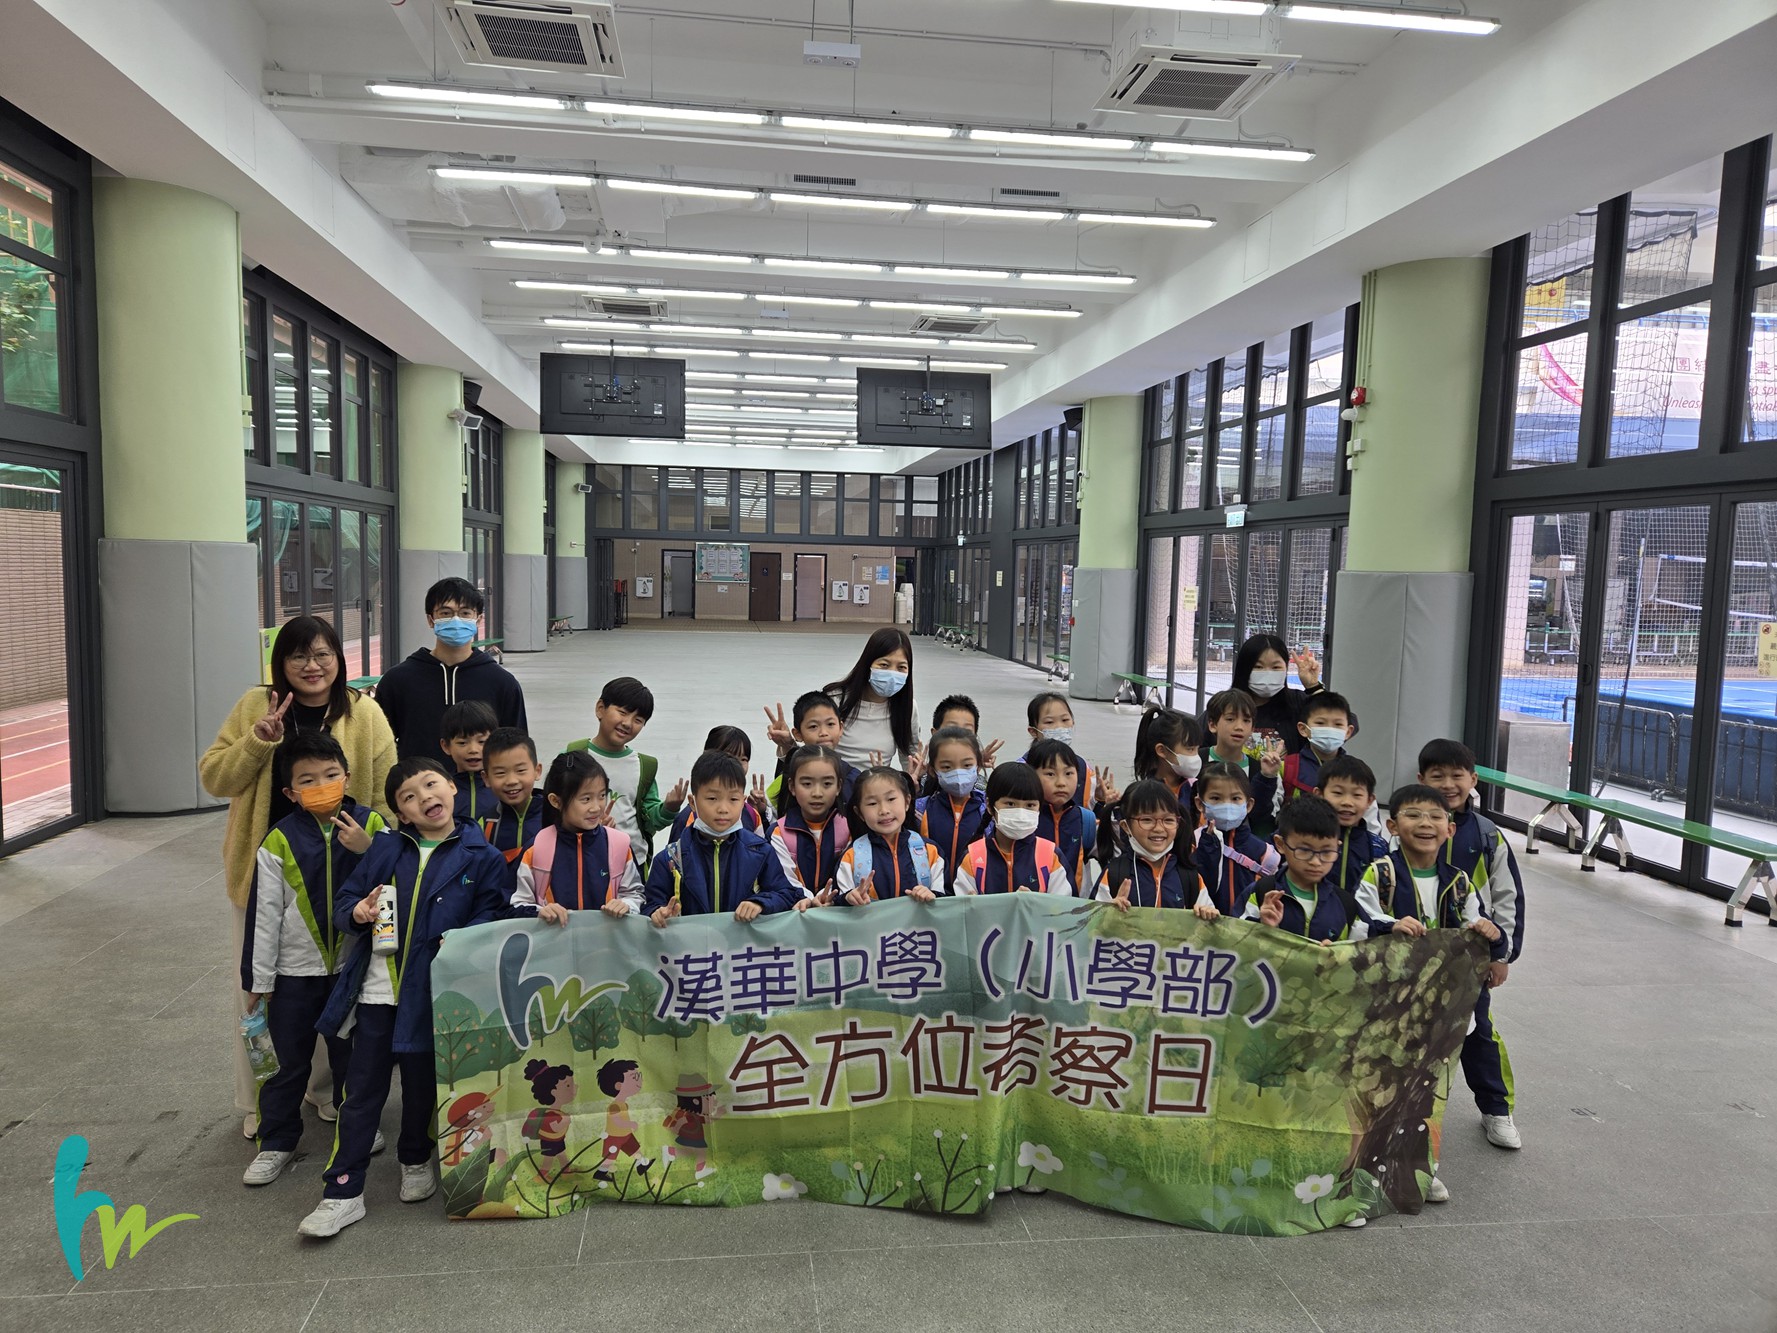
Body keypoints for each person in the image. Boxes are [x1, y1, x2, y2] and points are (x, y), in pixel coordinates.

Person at [201, 614, 396, 1140]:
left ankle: (325, 1090)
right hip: (266, 872)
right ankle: (260, 1099)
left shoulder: (363, 712)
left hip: (343, 880)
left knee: (340, 986)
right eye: (298, 656)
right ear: (280, 663)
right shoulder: (254, 705)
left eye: (323, 654)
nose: (312, 666)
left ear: (339, 658)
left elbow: (384, 796)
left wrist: (378, 856)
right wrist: (257, 742)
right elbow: (215, 778)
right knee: (259, 989)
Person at [299, 757, 511, 1237]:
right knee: (361, 1091)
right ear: (400, 813)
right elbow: (344, 902)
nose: (424, 798)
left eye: (431, 785)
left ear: (452, 787)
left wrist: (461, 938)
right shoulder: (386, 849)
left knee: (421, 1087)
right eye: (409, 797)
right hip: (378, 991)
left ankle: (415, 1157)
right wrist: (358, 912)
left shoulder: (482, 856)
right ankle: (342, 1191)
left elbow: (492, 915)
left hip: (434, 994)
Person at [240, 732, 387, 1187]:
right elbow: (264, 915)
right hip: (293, 973)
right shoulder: (279, 840)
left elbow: (395, 879)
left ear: (347, 776)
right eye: (308, 780)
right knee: (287, 1063)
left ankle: (355, 1123)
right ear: (290, 792)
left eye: (330, 775)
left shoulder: (372, 824)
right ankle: (276, 1140)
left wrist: (368, 848)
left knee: (352, 1056)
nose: (321, 785)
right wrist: (259, 980)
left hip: (351, 968)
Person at [1352, 783, 1507, 1206]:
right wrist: (1389, 925)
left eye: (1436, 816)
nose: (1425, 824)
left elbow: (1481, 928)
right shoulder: (1380, 874)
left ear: (1450, 829)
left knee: (1425, 1087)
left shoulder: (1459, 882)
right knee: (1382, 1083)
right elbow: (1360, 923)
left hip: (1439, 1007)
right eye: (1414, 815)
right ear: (1392, 826)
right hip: (1389, 1002)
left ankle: (1416, 1166)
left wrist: (1493, 935)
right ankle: (1367, 1166)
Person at [1418, 738, 1527, 1152]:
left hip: (1469, 959)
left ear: (1473, 779)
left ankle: (1496, 1109)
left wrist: (1502, 955)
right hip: (1415, 955)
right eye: (1437, 776)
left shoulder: (1486, 835)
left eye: (1456, 775)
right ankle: (1409, 1114)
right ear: (1421, 779)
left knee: (1478, 1030)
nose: (1448, 784)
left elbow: (1507, 896)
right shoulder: (1406, 824)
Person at [373, 577, 528, 759]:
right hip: (416, 777)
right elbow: (379, 746)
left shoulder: (502, 682)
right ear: (431, 620)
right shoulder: (397, 680)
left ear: (478, 619)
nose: (456, 620)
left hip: (480, 778)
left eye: (465, 613)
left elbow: (516, 747)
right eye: (445, 613)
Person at [644, 751, 800, 924]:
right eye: (712, 798)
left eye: (733, 799)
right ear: (692, 802)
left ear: (743, 801)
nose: (723, 809)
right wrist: (658, 913)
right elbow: (650, 905)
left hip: (741, 942)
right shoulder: (670, 859)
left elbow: (785, 894)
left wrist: (760, 903)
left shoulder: (761, 852)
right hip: (690, 942)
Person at [511, 751, 644, 922]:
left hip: (607, 939)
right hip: (555, 939)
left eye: (602, 796)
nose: (596, 807)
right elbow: (514, 904)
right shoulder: (536, 849)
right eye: (586, 799)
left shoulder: (620, 845)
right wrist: (540, 912)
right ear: (556, 801)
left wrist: (626, 905)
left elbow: (637, 895)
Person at [568, 676, 683, 865]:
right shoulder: (575, 754)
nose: (628, 723)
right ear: (600, 708)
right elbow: (557, 809)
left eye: (638, 720)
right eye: (622, 712)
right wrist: (590, 827)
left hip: (632, 862)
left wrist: (668, 809)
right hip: (582, 858)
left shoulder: (644, 766)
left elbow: (649, 821)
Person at [1243, 796, 1369, 941]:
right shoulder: (1261, 893)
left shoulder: (1346, 904)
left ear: (1337, 846)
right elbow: (1234, 941)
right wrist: (1263, 927)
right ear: (1280, 844)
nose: (1316, 862)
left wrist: (1338, 951)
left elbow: (1366, 950)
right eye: (1304, 850)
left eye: (1326, 852)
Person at [952, 763, 1073, 896]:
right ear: (990, 806)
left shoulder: (1051, 856)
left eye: (1030, 805)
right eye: (1010, 804)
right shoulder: (973, 857)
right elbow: (962, 905)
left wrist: (1037, 903)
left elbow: (1065, 906)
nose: (1021, 813)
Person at [832, 766, 944, 904]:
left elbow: (949, 900)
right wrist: (848, 899)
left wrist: (933, 896)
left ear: (907, 802)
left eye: (891, 799)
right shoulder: (851, 856)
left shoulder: (930, 851)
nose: (884, 810)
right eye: (872, 803)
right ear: (859, 813)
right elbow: (836, 902)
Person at [824, 627, 920, 770]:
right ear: (868, 663)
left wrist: (915, 775)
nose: (892, 674)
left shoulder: (907, 708)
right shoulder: (836, 700)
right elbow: (814, 751)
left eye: (901, 667)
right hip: (836, 781)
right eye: (884, 665)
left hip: (878, 783)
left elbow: (910, 758)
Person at [1191, 762, 1279, 917]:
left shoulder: (1264, 852)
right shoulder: (1192, 843)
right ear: (1200, 803)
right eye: (1216, 798)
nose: (1226, 805)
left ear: (1248, 805)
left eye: (1235, 798)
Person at [1104, 779, 1204, 911]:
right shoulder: (1113, 873)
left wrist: (1207, 914)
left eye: (1168, 820)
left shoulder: (1190, 877)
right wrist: (1110, 910)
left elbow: (1208, 919)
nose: (1158, 828)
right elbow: (1092, 920)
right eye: (1147, 820)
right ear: (1126, 826)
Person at [769, 745, 852, 903]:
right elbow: (782, 878)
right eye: (807, 784)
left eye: (827, 784)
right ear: (792, 786)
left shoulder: (848, 829)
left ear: (839, 787)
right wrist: (807, 899)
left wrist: (826, 896)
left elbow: (846, 874)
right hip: (795, 908)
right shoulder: (779, 833)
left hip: (834, 906)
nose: (817, 793)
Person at [915, 726, 990, 893]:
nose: (958, 773)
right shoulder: (920, 810)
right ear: (933, 770)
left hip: (975, 897)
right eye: (947, 767)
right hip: (930, 896)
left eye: (967, 765)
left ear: (978, 766)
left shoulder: (988, 812)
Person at [1231, 633, 1329, 756]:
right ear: (1244, 669)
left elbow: (1339, 724)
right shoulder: (1227, 706)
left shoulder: (1297, 702)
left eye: (1276, 667)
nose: (1267, 673)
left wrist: (1313, 686)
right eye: (1258, 667)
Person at [1206, 689, 1284, 838]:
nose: (1239, 727)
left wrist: (1267, 777)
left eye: (1246, 721)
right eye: (1230, 719)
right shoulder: (1198, 761)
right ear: (1212, 724)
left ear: (1252, 728)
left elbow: (1261, 819)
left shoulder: (1260, 769)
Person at [668, 726, 769, 842]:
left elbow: (761, 848)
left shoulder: (751, 814)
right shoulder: (688, 817)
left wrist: (763, 813)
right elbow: (676, 852)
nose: (737, 765)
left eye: (744, 759)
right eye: (712, 798)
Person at [1028, 738, 1100, 895]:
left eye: (1068, 773)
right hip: (1033, 905)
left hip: (1076, 906)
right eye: (1050, 774)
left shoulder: (1085, 820)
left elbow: (1114, 854)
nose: (1061, 782)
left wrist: (1110, 808)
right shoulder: (1024, 820)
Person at [765, 691, 859, 808]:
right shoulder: (789, 775)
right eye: (813, 726)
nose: (823, 732)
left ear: (841, 728)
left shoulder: (853, 778)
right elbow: (771, 811)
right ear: (798, 734)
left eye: (830, 724)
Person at [479, 727, 544, 891]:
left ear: (537, 771)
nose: (511, 781)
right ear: (486, 778)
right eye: (500, 773)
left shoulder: (556, 817)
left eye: (520, 770)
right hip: (500, 904)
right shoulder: (484, 824)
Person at [1317, 755, 1387, 898]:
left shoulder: (1377, 847)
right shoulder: (1304, 837)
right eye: (1338, 793)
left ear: (1369, 800)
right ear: (1319, 795)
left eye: (1357, 795)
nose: (1347, 802)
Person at [1022, 692, 1097, 808]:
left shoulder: (1083, 767)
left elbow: (1090, 809)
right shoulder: (1023, 768)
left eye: (1065, 720)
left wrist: (1101, 801)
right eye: (1049, 722)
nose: (1059, 727)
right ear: (1033, 731)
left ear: (1073, 723)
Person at [1131, 705, 1204, 820]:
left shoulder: (1195, 787)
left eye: (1197, 749)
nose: (1196, 756)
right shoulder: (1144, 794)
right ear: (1162, 751)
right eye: (1190, 749)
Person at [440, 700, 498, 822]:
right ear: (446, 746)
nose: (473, 750)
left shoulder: (502, 788)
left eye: (482, 741)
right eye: (462, 743)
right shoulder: (441, 790)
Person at [932, 694, 1003, 782]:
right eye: (951, 730)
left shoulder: (983, 787)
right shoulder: (921, 781)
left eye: (967, 732)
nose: (959, 738)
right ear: (934, 734)